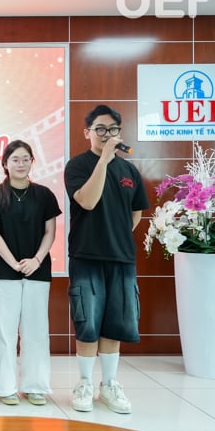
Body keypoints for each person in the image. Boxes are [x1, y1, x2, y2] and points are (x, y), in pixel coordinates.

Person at [64, 104, 149, 414]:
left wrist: (116, 236)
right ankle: (85, 383)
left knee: (116, 322)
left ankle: (109, 385)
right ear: (87, 132)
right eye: (100, 129)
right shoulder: (77, 166)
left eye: (112, 129)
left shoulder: (130, 171)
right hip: (86, 255)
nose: (107, 134)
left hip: (122, 257)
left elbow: (136, 213)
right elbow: (87, 201)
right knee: (87, 321)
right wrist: (104, 160)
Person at [0, 140, 61, 406]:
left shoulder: (44, 195)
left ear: (32, 162)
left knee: (36, 330)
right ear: (5, 163)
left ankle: (34, 386)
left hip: (38, 270)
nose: (21, 164)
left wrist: (36, 260)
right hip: (4, 270)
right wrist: (14, 263)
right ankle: (5, 387)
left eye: (25, 159)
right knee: (4, 330)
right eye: (15, 159)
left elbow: (50, 232)